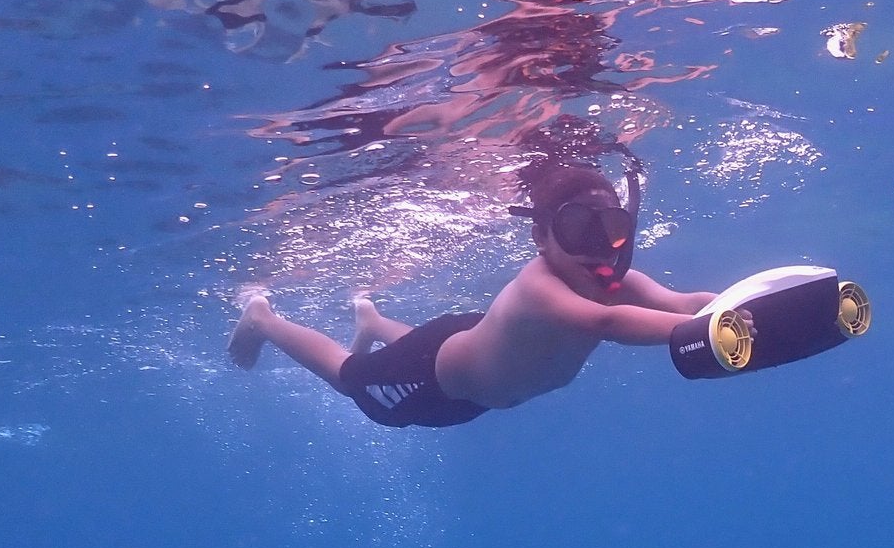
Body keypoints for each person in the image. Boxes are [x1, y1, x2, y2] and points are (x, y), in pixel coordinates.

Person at [227, 159, 738, 428]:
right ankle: (263, 318)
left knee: (458, 343)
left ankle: (374, 321)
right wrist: (705, 332)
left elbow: (682, 303)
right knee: (349, 379)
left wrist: (739, 305)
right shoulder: (541, 289)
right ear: (541, 237)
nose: (598, 247)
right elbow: (605, 323)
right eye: (579, 229)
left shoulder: (613, 281)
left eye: (611, 229)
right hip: (428, 375)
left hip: (474, 386)